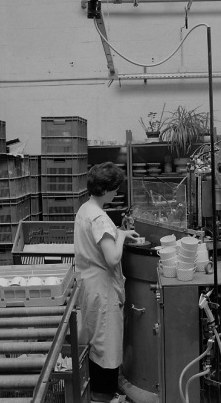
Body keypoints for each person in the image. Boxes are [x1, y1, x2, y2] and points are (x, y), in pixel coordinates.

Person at [74, 162, 139, 403]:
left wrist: (118, 231)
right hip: (102, 288)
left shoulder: (85, 209)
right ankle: (103, 396)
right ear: (107, 190)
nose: (117, 193)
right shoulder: (100, 218)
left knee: (94, 339)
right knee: (106, 343)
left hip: (88, 283)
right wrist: (120, 235)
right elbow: (112, 258)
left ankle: (96, 390)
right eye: (115, 189)